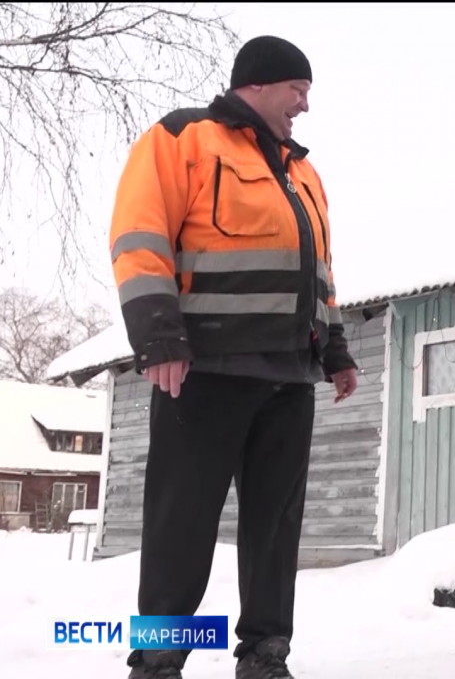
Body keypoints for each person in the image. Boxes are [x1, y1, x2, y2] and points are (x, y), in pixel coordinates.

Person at [108, 35, 359, 679]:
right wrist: (159, 336)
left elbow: (319, 275)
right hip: (205, 369)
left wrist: (334, 350)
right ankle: (159, 659)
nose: (304, 106)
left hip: (288, 378)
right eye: (297, 90)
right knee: (181, 521)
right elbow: (140, 237)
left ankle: (265, 655)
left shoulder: (304, 174)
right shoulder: (183, 140)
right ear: (259, 83)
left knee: (275, 528)